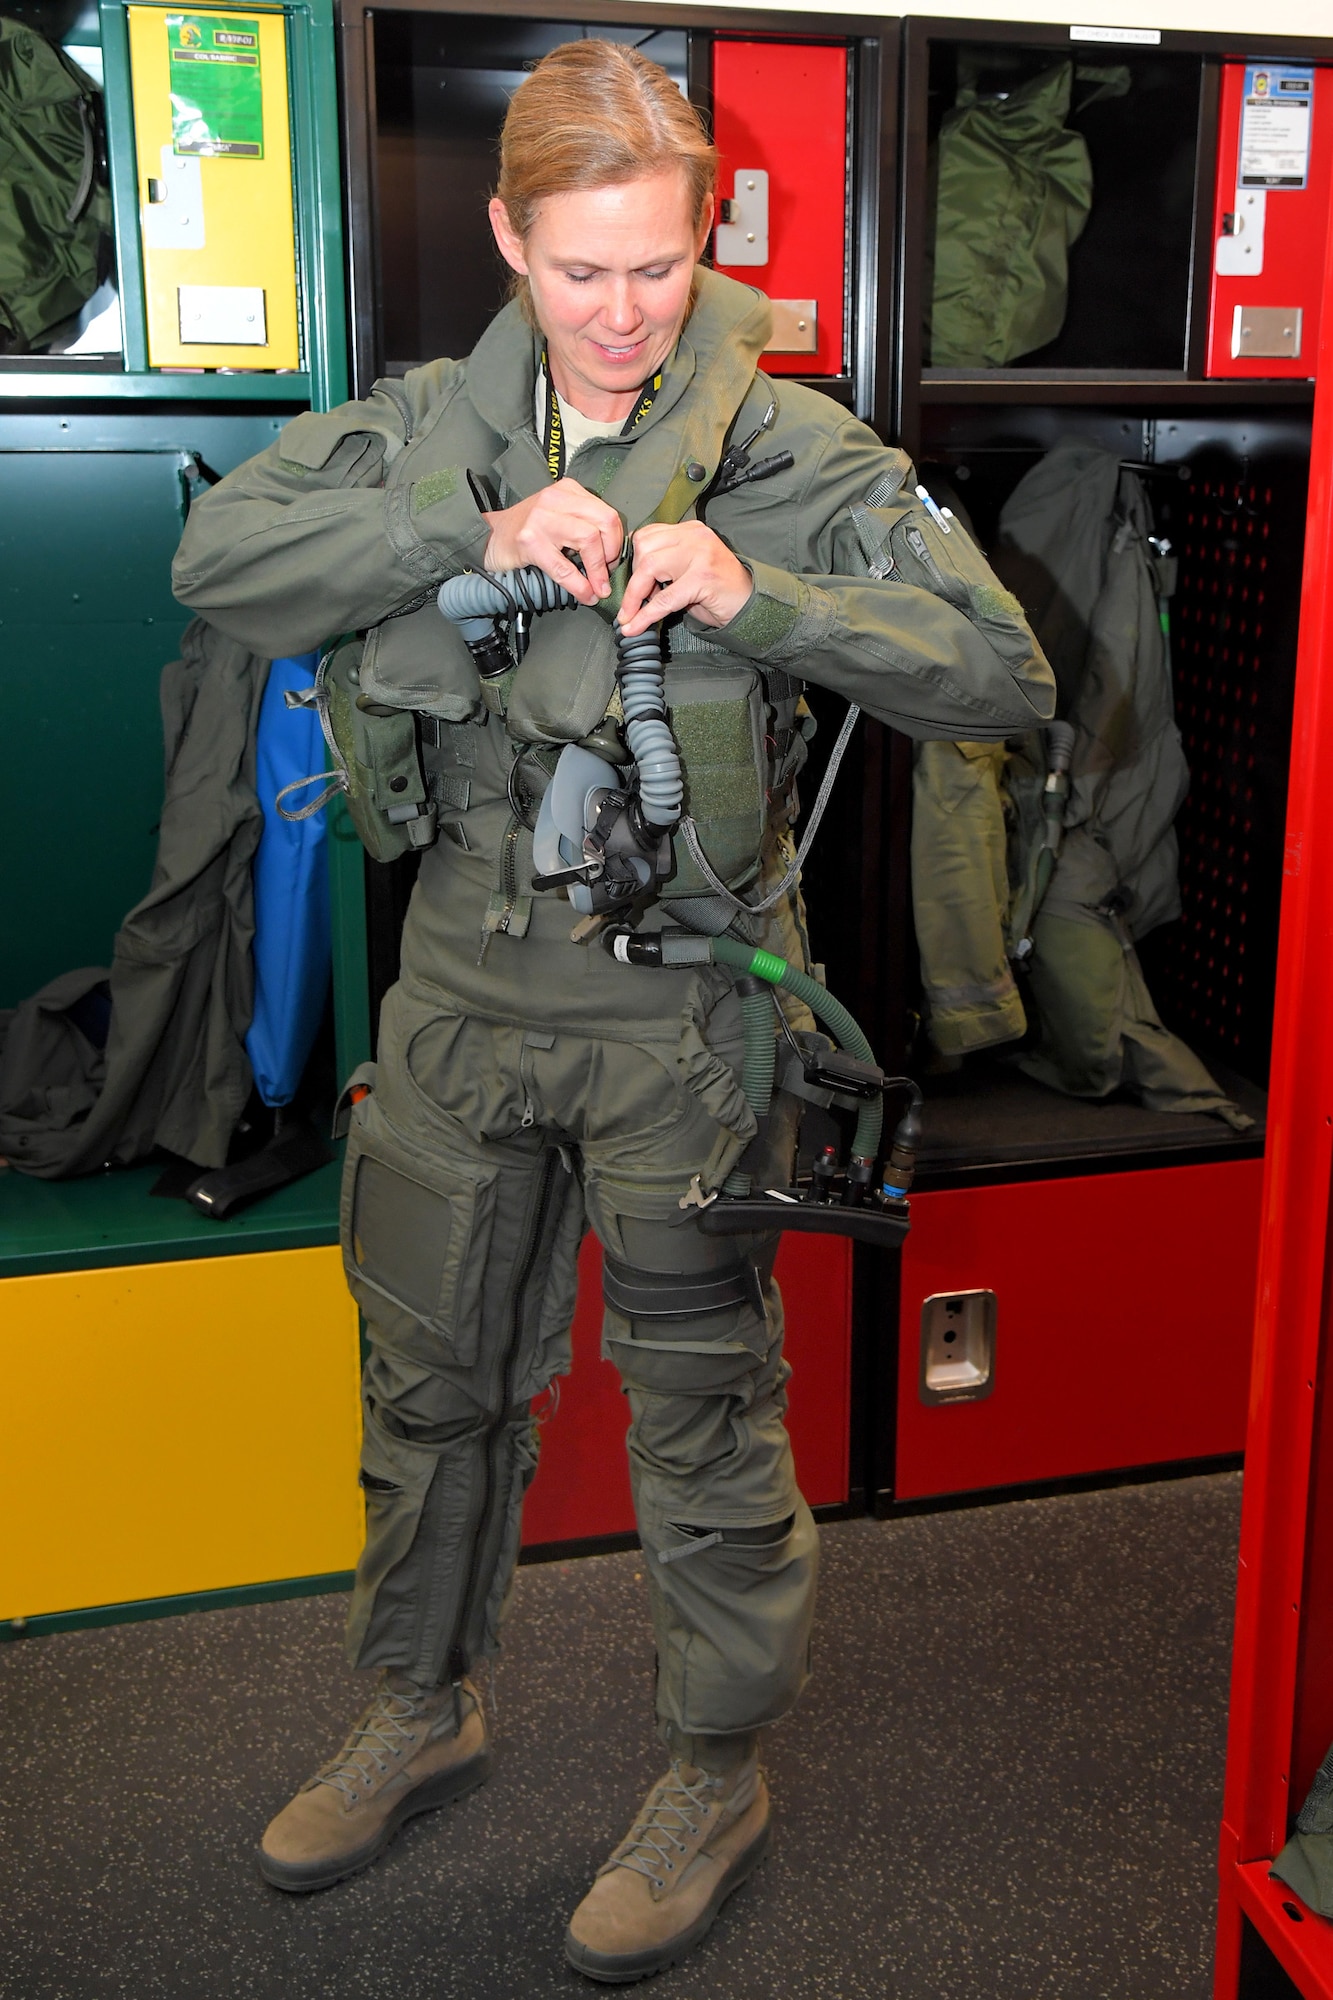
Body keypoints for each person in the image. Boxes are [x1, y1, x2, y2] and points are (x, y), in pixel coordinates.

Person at [172, 39, 1054, 1984]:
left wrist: (763, 594)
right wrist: (458, 536)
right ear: (507, 239)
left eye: (658, 264)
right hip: (465, 1003)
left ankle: (712, 1768)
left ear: (704, 231)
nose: (622, 311)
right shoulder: (426, 425)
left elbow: (993, 670)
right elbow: (217, 553)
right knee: (430, 1386)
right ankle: (421, 1698)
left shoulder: (783, 443)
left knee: (700, 1412)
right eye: (579, 270)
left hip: (680, 1023)